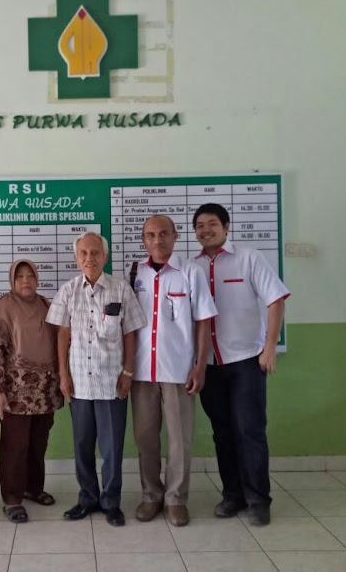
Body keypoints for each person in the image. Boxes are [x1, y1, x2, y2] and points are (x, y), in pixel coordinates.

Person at [192, 203, 290, 527]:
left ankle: (259, 500)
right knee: (223, 433)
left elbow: (275, 299)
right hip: (210, 365)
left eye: (212, 224)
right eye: (200, 226)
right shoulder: (191, 267)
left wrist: (270, 347)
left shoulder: (248, 257)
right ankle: (232, 495)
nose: (206, 230)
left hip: (246, 361)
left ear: (226, 226)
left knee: (250, 431)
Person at [46, 232, 146, 527]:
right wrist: (63, 374)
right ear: (76, 258)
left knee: (112, 446)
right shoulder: (68, 291)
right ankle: (87, 498)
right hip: (79, 383)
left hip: (111, 382)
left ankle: (111, 502)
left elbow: (131, 332)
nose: (89, 258)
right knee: (82, 444)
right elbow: (62, 333)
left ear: (105, 256)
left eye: (95, 253)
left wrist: (128, 371)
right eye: (83, 254)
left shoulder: (121, 289)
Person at [131, 215, 217, 527]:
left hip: (179, 370)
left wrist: (199, 366)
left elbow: (203, 320)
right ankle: (151, 495)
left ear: (175, 236)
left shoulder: (191, 272)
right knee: (145, 438)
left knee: (180, 439)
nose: (158, 240)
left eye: (164, 234)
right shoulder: (135, 273)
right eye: (151, 235)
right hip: (141, 371)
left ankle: (176, 499)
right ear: (144, 239)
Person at [0, 259, 64, 523]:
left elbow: (60, 342)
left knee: (38, 443)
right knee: (15, 446)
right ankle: (12, 498)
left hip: (45, 389)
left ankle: (33, 488)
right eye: (20, 277)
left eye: (30, 275)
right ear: (12, 280)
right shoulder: (2, 310)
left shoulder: (46, 306)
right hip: (15, 392)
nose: (26, 281)